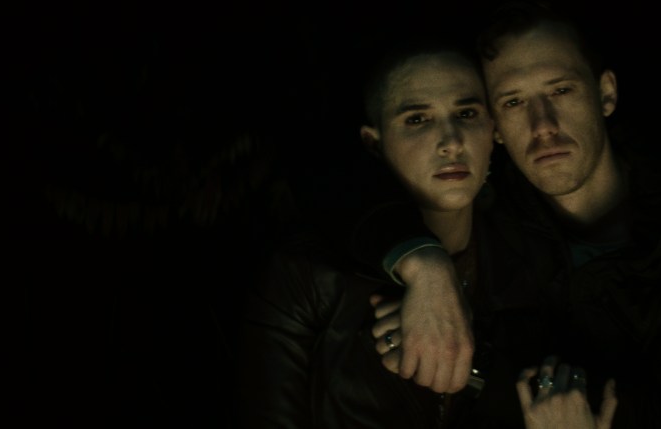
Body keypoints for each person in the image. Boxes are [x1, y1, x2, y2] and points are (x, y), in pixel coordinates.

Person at [356, 2, 661, 428]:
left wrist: (475, 367)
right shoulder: (481, 200)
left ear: (606, 93)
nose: (543, 125)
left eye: (560, 90)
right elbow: (340, 186)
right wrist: (424, 265)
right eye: (513, 102)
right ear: (495, 126)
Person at [237, 33, 616, 429]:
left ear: (493, 130)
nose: (451, 142)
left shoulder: (537, 269)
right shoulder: (308, 276)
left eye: (466, 113)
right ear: (374, 143)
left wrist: (476, 369)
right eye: (417, 119)